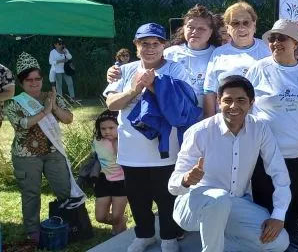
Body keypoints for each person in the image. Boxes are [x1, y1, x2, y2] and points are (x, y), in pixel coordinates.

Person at [170, 75, 291, 252]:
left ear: (251, 103)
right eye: (228, 100)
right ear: (218, 102)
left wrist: (279, 215)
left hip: (235, 203)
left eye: (241, 100)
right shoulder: (199, 132)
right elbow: (173, 187)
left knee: (279, 242)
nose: (233, 106)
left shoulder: (260, 129)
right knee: (219, 199)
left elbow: (279, 173)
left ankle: (219, 241)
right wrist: (186, 179)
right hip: (194, 205)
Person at [104, 23, 194, 252]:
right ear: (136, 47)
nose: (150, 48)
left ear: (164, 46)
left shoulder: (177, 70)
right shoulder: (124, 70)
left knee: (166, 197)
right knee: (137, 198)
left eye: (156, 43)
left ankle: (169, 237)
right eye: (145, 44)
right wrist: (134, 89)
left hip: (166, 151)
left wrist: (155, 85)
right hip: (131, 151)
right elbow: (111, 104)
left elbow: (179, 108)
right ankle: (144, 235)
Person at [246, 19, 298, 250]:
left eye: (281, 38)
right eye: (272, 38)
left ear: (296, 43)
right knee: (264, 194)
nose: (275, 43)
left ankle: (292, 230)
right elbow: (245, 106)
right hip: (264, 149)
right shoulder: (259, 68)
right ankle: (265, 235)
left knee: (295, 192)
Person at [3, 52, 84, 244]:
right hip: (26, 155)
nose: (34, 83)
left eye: (37, 78)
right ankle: (33, 232)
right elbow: (21, 124)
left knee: (64, 189)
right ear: (21, 83)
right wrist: (45, 111)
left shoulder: (52, 96)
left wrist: (54, 106)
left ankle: (67, 224)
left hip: (53, 152)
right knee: (31, 193)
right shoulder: (13, 102)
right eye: (29, 80)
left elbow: (69, 119)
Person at [203, 1, 271, 117]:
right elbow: (209, 92)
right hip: (226, 121)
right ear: (227, 27)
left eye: (246, 23)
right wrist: (211, 125)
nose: (241, 28)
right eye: (235, 23)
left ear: (254, 25)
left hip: (259, 123)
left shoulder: (268, 50)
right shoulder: (218, 54)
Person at [165, 4, 222, 105]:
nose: (194, 32)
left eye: (201, 29)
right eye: (190, 27)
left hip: (209, 113)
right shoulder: (169, 54)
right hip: (178, 113)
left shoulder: (219, 54)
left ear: (211, 32)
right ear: (184, 28)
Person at [92, 110, 128, 235]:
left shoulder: (126, 141)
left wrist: (117, 141)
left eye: (111, 128)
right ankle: (122, 221)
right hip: (104, 180)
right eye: (103, 128)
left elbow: (124, 159)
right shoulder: (97, 141)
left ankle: (120, 237)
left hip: (122, 181)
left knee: (116, 217)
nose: (107, 131)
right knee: (100, 217)